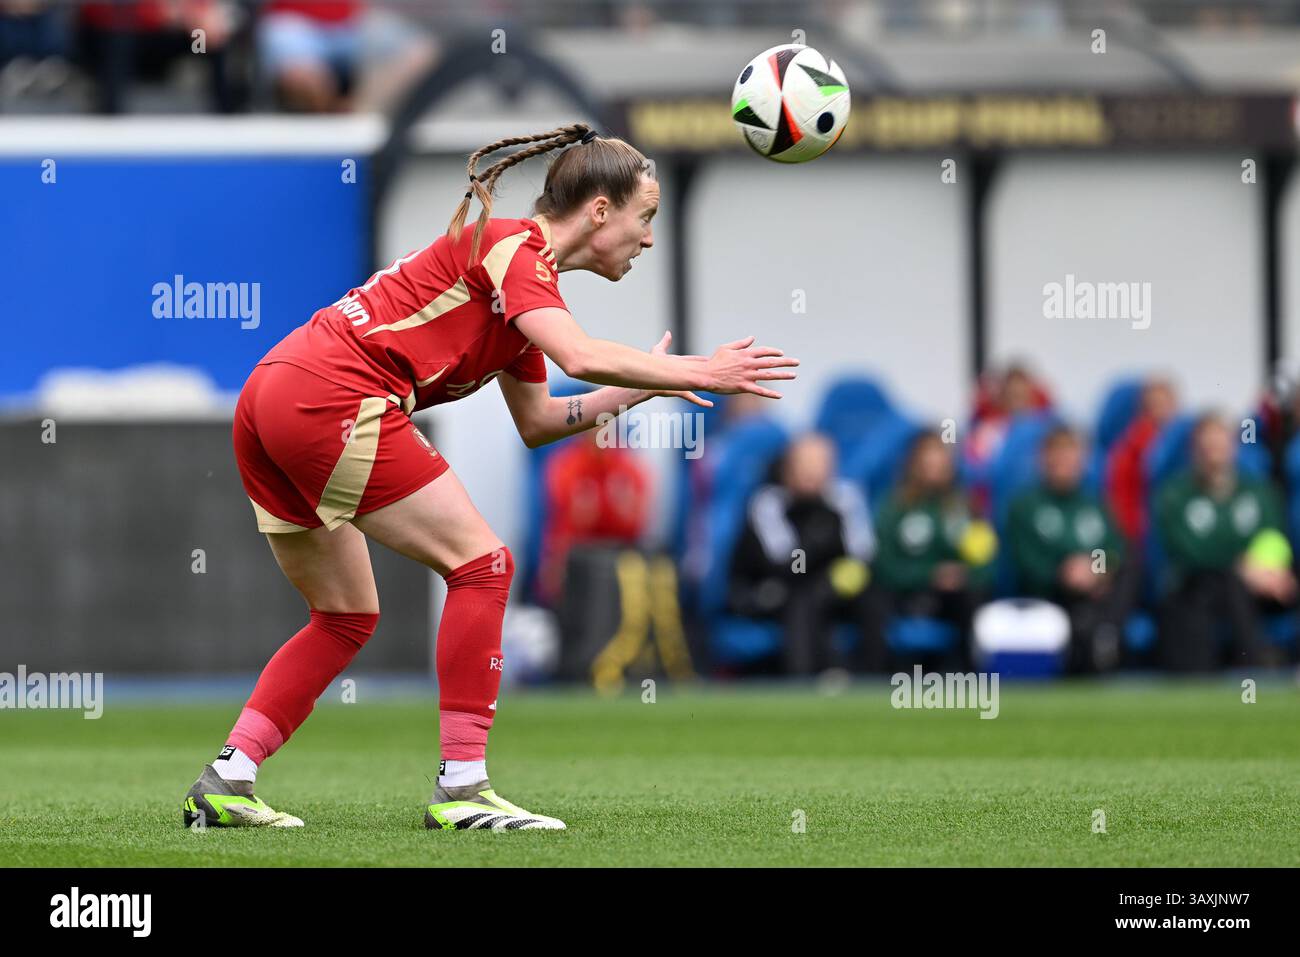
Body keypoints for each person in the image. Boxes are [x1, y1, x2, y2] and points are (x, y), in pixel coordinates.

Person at [181, 123, 799, 831]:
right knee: (484, 564)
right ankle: (463, 787)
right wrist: (699, 370)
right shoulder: (518, 250)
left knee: (346, 614)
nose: (650, 239)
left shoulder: (520, 290)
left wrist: (641, 387)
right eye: (645, 216)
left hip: (274, 395)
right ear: (600, 211)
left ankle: (228, 776)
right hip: (333, 397)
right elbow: (578, 355)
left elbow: (539, 421)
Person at [727, 432, 884, 676]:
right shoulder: (767, 503)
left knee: (873, 598)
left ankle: (874, 677)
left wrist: (838, 576)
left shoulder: (845, 499)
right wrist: (818, 547)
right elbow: (786, 564)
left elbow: (863, 554)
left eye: (820, 464)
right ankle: (805, 678)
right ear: (788, 467)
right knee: (803, 598)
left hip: (831, 588)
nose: (812, 472)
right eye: (805, 464)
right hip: (773, 589)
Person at [1155, 413, 1296, 671]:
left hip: (1260, 586)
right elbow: (1187, 550)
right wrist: (1241, 566)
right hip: (1199, 589)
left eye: (1219, 445)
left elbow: (1274, 536)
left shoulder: (1259, 492)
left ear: (1233, 446)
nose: (1213, 454)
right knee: (1229, 584)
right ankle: (1255, 662)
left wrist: (1272, 571)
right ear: (1194, 450)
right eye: (1207, 447)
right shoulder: (1175, 495)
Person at [1007, 426, 1137, 672]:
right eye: (1057, 454)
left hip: (1095, 596)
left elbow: (1112, 549)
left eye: (1070, 455)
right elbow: (1026, 560)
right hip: (1050, 597)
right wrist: (1064, 572)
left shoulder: (1094, 505)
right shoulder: (1026, 506)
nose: (1064, 462)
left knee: (1131, 563)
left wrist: (1095, 570)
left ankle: (1107, 634)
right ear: (1043, 459)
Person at [873, 432, 996, 669]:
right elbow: (885, 566)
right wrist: (930, 575)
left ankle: (972, 673)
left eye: (940, 461)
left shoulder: (966, 507)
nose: (934, 469)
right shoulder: (895, 507)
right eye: (927, 462)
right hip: (908, 595)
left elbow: (987, 563)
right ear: (913, 465)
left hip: (955, 598)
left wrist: (963, 575)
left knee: (974, 599)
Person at [1106, 376, 1178, 545]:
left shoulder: (1185, 444)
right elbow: (1122, 499)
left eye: (1165, 403)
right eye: (1155, 404)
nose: (1161, 410)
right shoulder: (1129, 448)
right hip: (1144, 535)